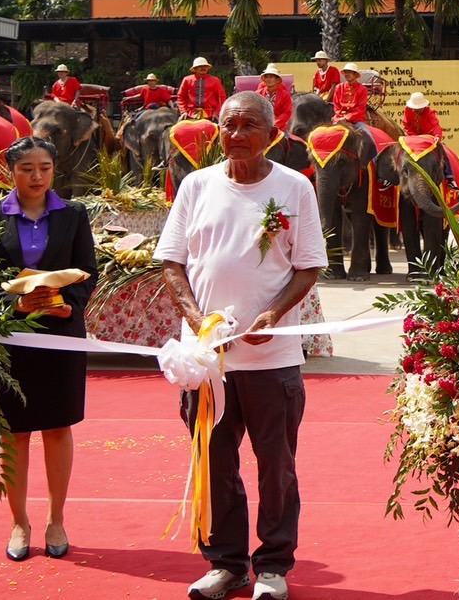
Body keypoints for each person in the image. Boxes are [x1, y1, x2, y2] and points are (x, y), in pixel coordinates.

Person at [155, 92, 328, 600]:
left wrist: (273, 315)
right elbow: (172, 262)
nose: (235, 134)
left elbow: (309, 265)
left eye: (248, 124)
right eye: (228, 124)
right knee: (214, 462)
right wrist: (194, 318)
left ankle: (273, 566)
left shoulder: (294, 187)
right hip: (208, 365)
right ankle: (226, 564)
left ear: (272, 132)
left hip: (271, 361)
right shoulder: (196, 184)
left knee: (276, 466)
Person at [0, 137, 97, 563]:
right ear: (10, 171)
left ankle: (56, 519)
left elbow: (88, 271)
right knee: (15, 432)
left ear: (54, 170)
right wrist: (14, 304)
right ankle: (19, 521)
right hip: (8, 339)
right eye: (27, 168)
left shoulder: (74, 214)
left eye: (44, 167)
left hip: (60, 337)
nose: (37, 176)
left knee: (58, 427)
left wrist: (67, 305)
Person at [178, 57, 226, 121]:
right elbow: (181, 96)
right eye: (200, 66)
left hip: (211, 115)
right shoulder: (187, 80)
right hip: (191, 114)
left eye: (205, 66)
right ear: (195, 69)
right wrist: (183, 111)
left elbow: (221, 98)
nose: (203, 68)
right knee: (179, 129)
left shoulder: (215, 80)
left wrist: (217, 113)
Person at [329, 63, 371, 136]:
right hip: (339, 119)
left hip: (356, 121)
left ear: (355, 75)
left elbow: (361, 109)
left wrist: (347, 118)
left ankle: (373, 147)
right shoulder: (339, 87)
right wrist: (341, 118)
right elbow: (336, 106)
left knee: (368, 136)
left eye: (350, 72)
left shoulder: (362, 89)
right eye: (346, 72)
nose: (347, 74)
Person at [255, 65, 293, 134]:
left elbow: (287, 113)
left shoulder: (285, 95)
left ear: (277, 80)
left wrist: (275, 123)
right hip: (261, 127)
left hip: (279, 128)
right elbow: (254, 111)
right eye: (266, 77)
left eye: (271, 77)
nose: (268, 79)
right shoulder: (258, 94)